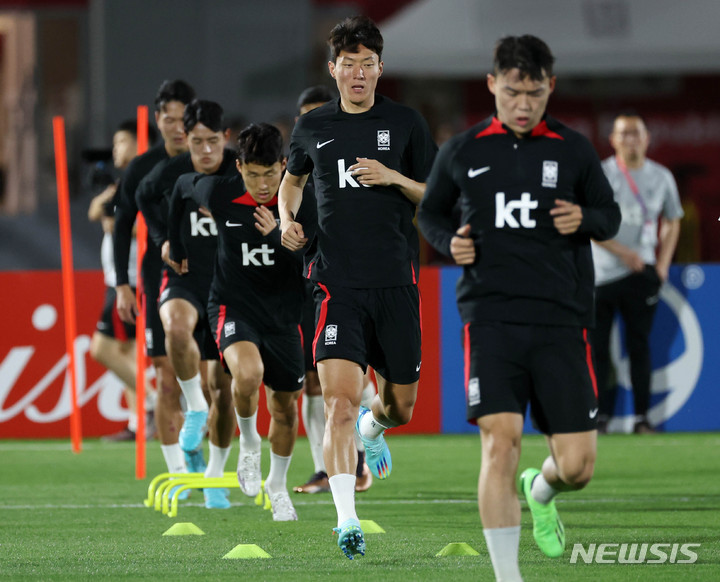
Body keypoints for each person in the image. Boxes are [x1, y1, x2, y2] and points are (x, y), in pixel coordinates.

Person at [417, 35, 621, 581]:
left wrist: (585, 219)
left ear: (550, 86)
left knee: (578, 468)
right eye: (512, 92)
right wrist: (447, 241)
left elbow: (610, 216)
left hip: (561, 318)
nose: (524, 104)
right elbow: (430, 214)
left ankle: (543, 489)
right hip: (491, 317)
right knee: (499, 441)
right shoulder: (462, 150)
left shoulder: (574, 149)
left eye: (534, 92)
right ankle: (509, 577)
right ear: (492, 85)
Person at [278, 16, 437, 558]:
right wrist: (286, 220)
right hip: (334, 285)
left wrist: (393, 177)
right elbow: (291, 182)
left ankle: (375, 431)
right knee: (338, 404)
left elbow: (435, 195)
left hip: (395, 282)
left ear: (380, 68)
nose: (359, 73)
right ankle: (348, 519)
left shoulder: (407, 124)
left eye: (368, 63)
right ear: (333, 69)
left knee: (401, 407)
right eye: (349, 64)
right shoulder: (312, 127)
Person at [169, 122, 313, 521]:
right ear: (240, 167)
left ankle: (278, 485)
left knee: (285, 410)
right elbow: (182, 186)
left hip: (284, 316)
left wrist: (278, 240)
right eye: (253, 175)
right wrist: (175, 241)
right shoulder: (220, 191)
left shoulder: (303, 200)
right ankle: (249, 446)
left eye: (270, 174)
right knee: (246, 376)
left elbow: (316, 261)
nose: (262, 185)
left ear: (285, 165)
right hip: (234, 307)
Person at [136, 99, 238, 508]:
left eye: (213, 142)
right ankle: (194, 409)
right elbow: (144, 197)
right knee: (175, 328)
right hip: (183, 277)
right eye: (197, 143)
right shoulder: (170, 173)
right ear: (186, 139)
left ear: (225, 138)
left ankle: (214, 474)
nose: (206, 151)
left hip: (230, 287)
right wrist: (163, 240)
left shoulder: (240, 169)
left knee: (225, 390)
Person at [289, 85, 375, 496]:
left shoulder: (344, 174)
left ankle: (361, 453)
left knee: (349, 380)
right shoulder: (287, 181)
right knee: (311, 382)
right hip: (300, 287)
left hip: (342, 283)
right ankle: (326, 468)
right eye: (305, 118)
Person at [112, 80, 201, 477]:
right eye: (170, 118)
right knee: (166, 374)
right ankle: (178, 472)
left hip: (212, 277)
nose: (177, 126)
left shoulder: (211, 161)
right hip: (160, 277)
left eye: (184, 118)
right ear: (158, 120)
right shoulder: (142, 168)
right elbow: (121, 226)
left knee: (213, 378)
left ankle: (207, 459)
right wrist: (122, 284)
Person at [591, 112, 683, 434]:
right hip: (601, 275)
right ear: (613, 139)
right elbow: (586, 224)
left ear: (647, 138)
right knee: (599, 349)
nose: (630, 139)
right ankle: (601, 417)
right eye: (623, 133)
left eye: (636, 133)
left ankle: (643, 419)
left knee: (640, 346)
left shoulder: (661, 177)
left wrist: (662, 265)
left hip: (642, 274)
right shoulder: (601, 174)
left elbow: (673, 220)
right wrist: (622, 252)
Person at [89, 120, 157, 441]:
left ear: (138, 143)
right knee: (128, 351)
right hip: (119, 278)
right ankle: (138, 422)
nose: (116, 149)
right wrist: (108, 204)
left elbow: (145, 226)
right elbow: (95, 213)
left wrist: (117, 223)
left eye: (121, 142)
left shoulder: (149, 179)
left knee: (102, 348)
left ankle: (153, 401)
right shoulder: (123, 182)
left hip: (132, 279)